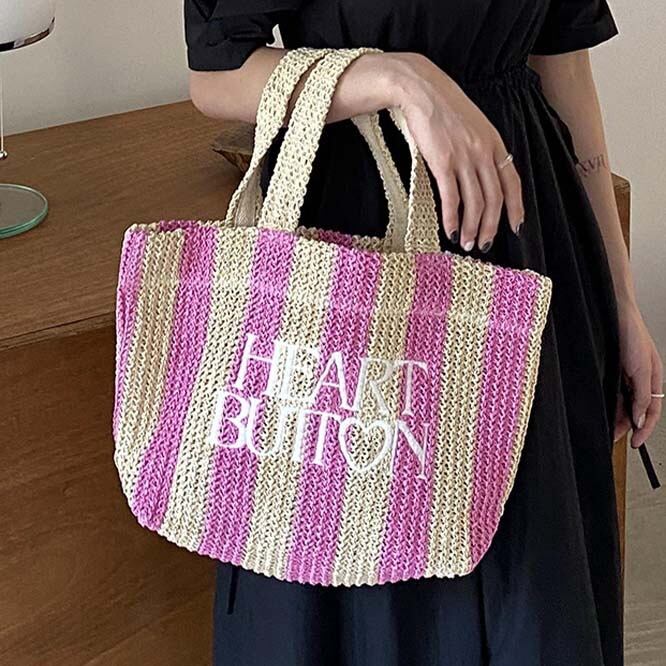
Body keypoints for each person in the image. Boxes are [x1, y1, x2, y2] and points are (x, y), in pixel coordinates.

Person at [184, 2, 663, 664]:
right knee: (377, 584)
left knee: (531, 585)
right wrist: (397, 79)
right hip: (358, 253)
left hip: (528, 238)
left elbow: (565, 62)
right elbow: (217, 74)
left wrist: (620, 299)